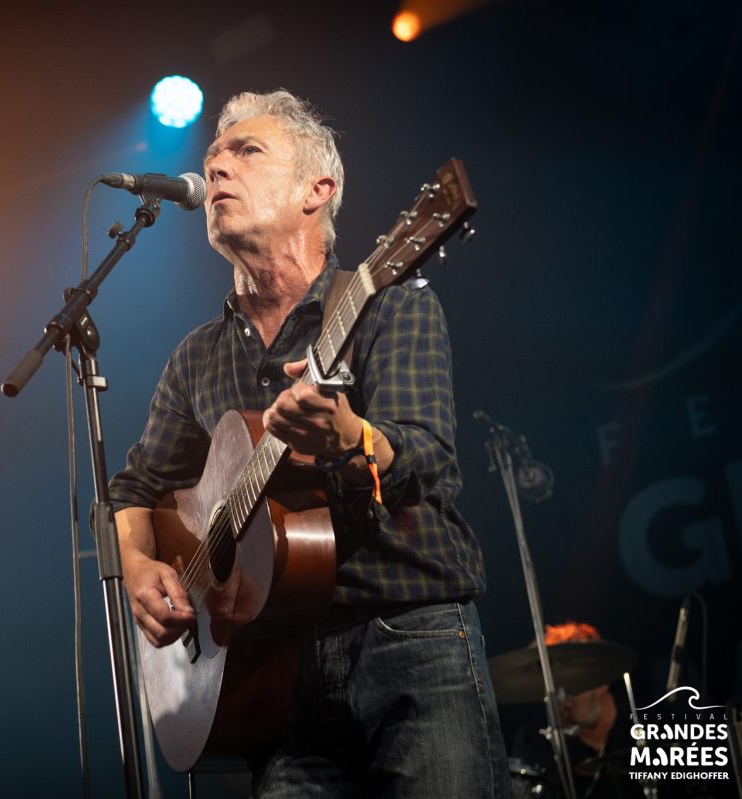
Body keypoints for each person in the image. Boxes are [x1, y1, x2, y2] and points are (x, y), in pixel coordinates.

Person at [108, 89, 507, 798]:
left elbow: (425, 460)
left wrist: (348, 437)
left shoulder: (391, 303)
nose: (217, 167)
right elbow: (132, 491)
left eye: (246, 151)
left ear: (317, 190)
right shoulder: (195, 358)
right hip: (271, 675)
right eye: (214, 156)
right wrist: (139, 566)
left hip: (408, 641)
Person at [510, 622, 641, 799]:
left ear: (603, 681)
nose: (563, 700)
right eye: (555, 690)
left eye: (573, 685)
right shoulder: (533, 740)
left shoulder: (651, 723)